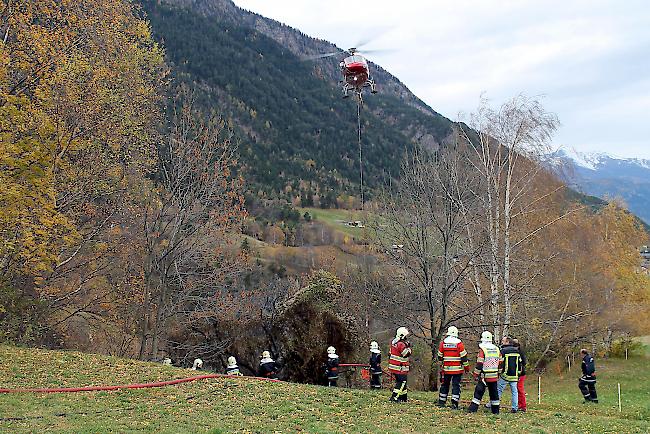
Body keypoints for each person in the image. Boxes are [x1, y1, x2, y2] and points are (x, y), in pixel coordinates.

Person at [467, 331, 503, 414]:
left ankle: (473, 409)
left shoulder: (483, 350)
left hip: (484, 376)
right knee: (494, 393)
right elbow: (501, 363)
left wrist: (475, 374)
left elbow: (479, 363)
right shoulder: (497, 349)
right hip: (494, 375)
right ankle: (495, 410)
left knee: (478, 392)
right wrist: (499, 373)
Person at [437, 325, 470, 409]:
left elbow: (439, 356)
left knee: (445, 385)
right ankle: (454, 403)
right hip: (457, 370)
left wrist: (442, 364)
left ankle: (441, 402)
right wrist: (467, 368)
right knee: (456, 386)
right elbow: (464, 358)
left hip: (446, 369)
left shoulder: (443, 343)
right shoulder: (459, 344)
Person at [496, 336, 522, 413]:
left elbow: (500, 363)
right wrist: (518, 373)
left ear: (507, 342)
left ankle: (494, 404)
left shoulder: (503, 351)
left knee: (498, 390)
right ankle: (514, 408)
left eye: (503, 341)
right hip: (514, 375)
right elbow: (520, 363)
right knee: (514, 392)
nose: (502, 342)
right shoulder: (517, 351)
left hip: (505, 375)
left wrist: (499, 372)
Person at [388, 327, 412, 403]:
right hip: (400, 367)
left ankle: (403, 398)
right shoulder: (401, 344)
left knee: (402, 382)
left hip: (394, 367)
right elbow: (406, 354)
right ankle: (394, 397)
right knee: (402, 382)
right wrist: (408, 348)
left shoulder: (394, 342)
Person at [512, 339, 527, 412]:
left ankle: (523, 406)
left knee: (520, 389)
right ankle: (519, 405)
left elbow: (524, 362)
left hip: (520, 374)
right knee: (517, 389)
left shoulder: (519, 352)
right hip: (517, 373)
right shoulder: (519, 351)